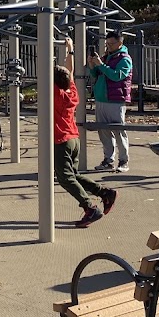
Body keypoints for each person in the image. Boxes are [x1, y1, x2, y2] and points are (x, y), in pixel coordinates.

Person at [55, 37, 118, 227]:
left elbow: (66, 73)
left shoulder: (55, 93)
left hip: (61, 140)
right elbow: (70, 71)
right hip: (74, 138)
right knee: (73, 174)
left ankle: (89, 207)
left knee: (65, 178)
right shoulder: (70, 90)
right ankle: (103, 192)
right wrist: (70, 50)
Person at [88, 29, 133, 172]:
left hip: (115, 100)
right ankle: (108, 159)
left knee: (119, 130)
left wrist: (101, 64)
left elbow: (117, 76)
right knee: (104, 131)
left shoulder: (124, 59)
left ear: (120, 42)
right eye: (107, 44)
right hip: (101, 98)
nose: (109, 47)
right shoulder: (107, 56)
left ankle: (123, 160)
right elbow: (97, 74)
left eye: (112, 44)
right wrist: (92, 65)